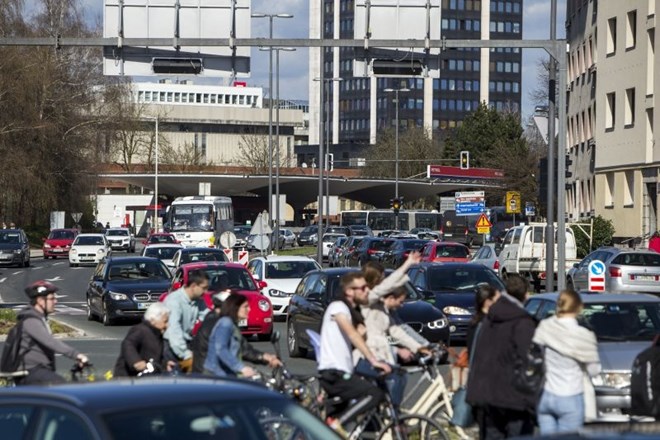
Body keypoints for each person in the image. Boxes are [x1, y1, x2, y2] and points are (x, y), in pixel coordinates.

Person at [466, 274, 538, 439]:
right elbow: (528, 360)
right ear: (525, 294)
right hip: (513, 398)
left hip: (487, 395)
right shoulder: (522, 322)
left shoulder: (488, 319)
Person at [318, 272, 392, 430]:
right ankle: (336, 425)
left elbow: (351, 337)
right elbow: (351, 334)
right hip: (334, 373)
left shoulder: (350, 312)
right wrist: (374, 361)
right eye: (362, 287)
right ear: (349, 291)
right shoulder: (338, 307)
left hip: (341, 372)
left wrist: (362, 333)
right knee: (374, 394)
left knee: (330, 425)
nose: (367, 290)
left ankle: (332, 427)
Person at [533, 290, 601, 434]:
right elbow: (593, 370)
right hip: (570, 395)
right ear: (579, 308)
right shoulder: (583, 335)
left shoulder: (545, 327)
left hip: (545, 394)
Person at [17, 281, 89, 385]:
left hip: (40, 370)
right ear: (41, 301)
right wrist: (77, 355)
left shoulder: (40, 318)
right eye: (52, 299)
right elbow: (49, 341)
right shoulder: (31, 320)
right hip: (31, 372)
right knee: (61, 386)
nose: (55, 301)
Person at [204, 293, 282, 377]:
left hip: (226, 375)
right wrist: (241, 368)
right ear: (235, 308)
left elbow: (244, 349)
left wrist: (265, 357)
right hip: (216, 377)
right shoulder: (225, 323)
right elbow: (221, 349)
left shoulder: (232, 325)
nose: (249, 309)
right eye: (245, 306)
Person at [163, 270, 210, 372]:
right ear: (193, 286)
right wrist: (186, 355)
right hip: (172, 347)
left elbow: (209, 317)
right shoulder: (174, 301)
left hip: (187, 343)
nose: (206, 292)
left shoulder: (198, 300)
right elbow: (174, 332)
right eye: (204, 288)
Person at [113, 302, 174, 376]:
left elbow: (156, 357)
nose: (167, 325)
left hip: (147, 378)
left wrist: (165, 364)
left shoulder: (157, 334)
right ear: (153, 320)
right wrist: (135, 361)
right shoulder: (140, 330)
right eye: (165, 321)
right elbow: (128, 344)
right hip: (128, 379)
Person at [192, 290, 231, 374]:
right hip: (208, 371)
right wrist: (240, 367)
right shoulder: (214, 322)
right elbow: (221, 350)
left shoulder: (222, 320)